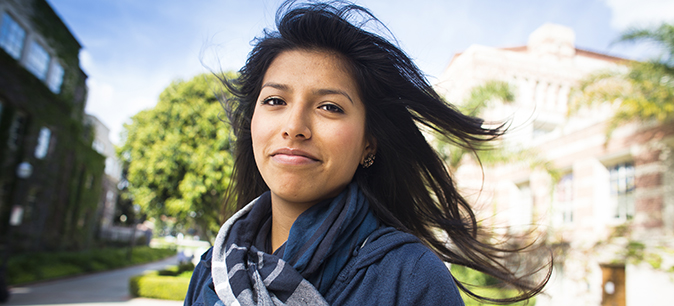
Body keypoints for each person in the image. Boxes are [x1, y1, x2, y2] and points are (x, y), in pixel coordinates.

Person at [184, 1, 550, 305]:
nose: (294, 126)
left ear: (368, 144)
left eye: (330, 107)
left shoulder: (410, 278)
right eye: (275, 101)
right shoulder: (213, 269)